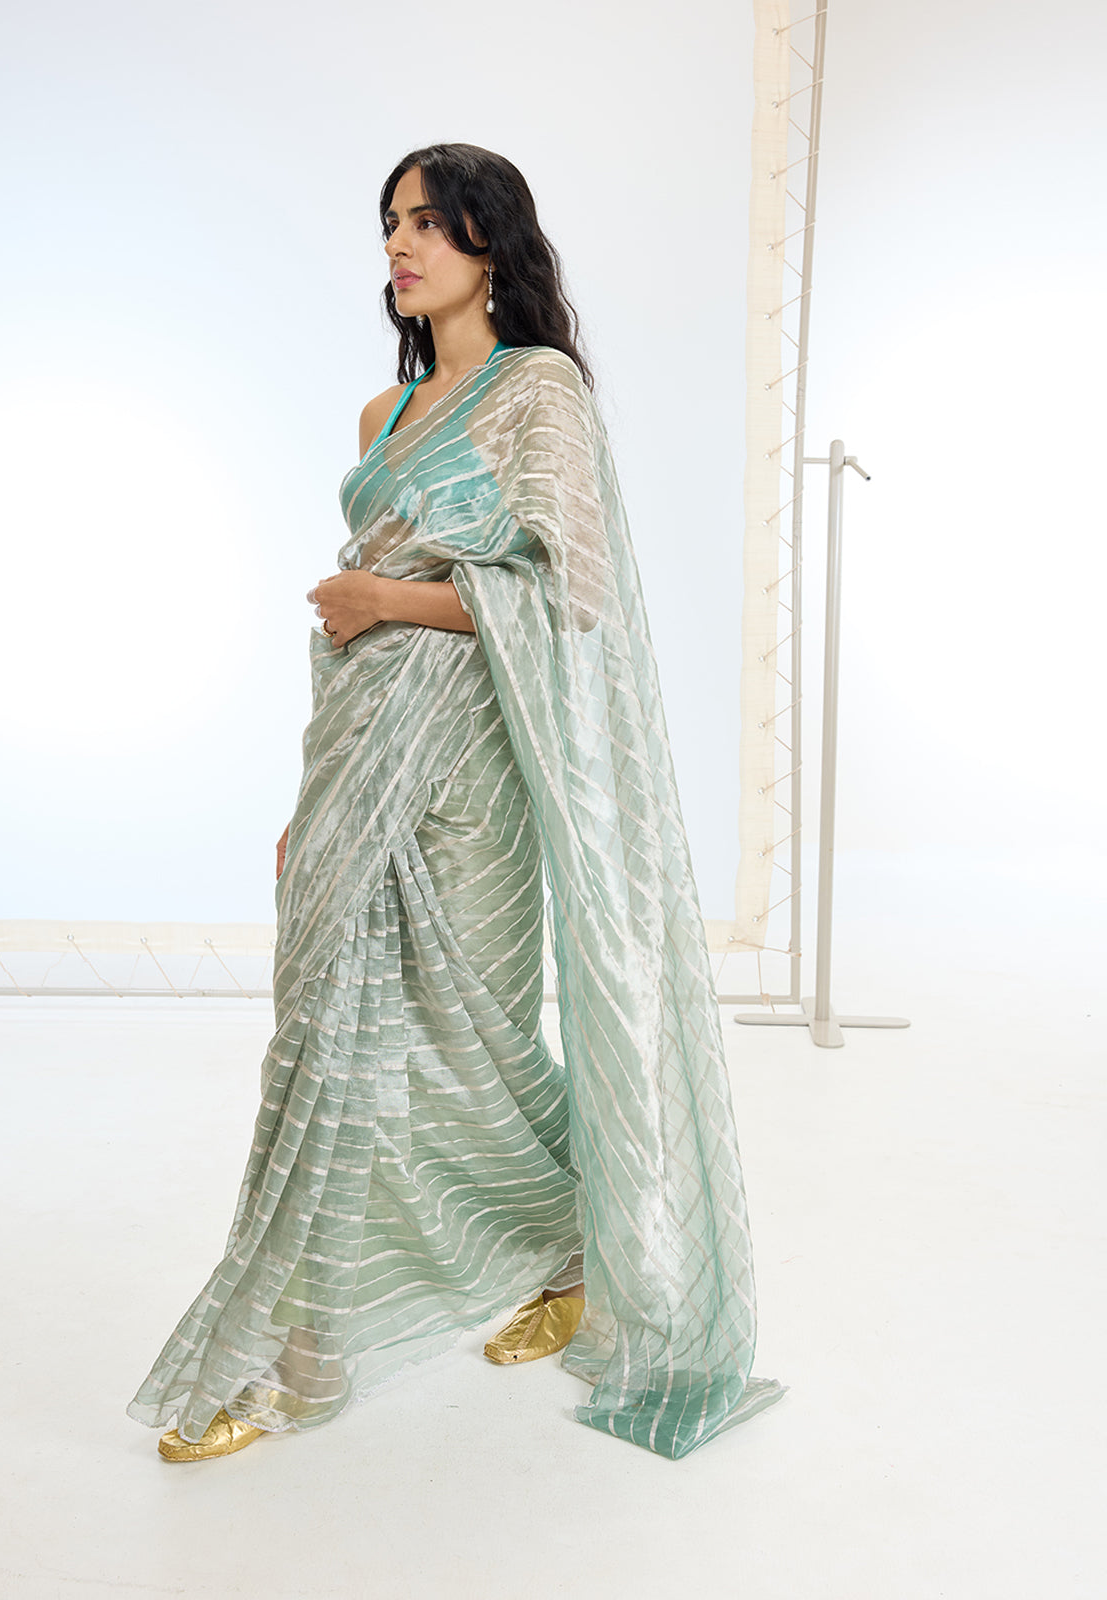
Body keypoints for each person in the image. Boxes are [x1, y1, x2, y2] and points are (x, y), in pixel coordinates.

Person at [127, 142, 784, 1464]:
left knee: (476, 1047)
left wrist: (386, 596)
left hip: (476, 780)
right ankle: (306, 1340)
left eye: (429, 222)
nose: (401, 247)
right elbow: (359, 651)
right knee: (327, 1035)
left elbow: (572, 595)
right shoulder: (383, 416)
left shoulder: (539, 392)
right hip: (356, 759)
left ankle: (558, 1250)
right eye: (390, 225)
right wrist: (316, 796)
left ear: (493, 241)